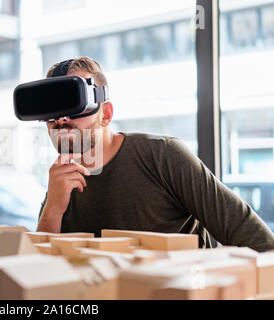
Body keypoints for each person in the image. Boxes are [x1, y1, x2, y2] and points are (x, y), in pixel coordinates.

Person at [37, 56, 274, 252]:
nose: (61, 119)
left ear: (106, 114)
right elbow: (39, 274)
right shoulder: (59, 183)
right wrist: (52, 211)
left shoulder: (163, 156)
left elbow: (256, 239)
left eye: (75, 105)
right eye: (53, 111)